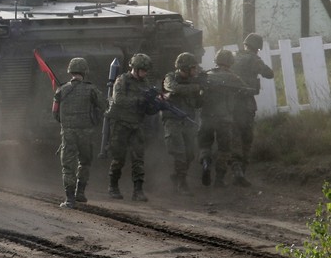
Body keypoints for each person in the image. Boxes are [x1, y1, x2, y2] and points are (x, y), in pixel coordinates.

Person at [53, 57, 108, 208]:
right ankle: (81, 193)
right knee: (84, 162)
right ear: (85, 71)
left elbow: (55, 113)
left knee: (68, 166)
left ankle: (69, 199)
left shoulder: (61, 89)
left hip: (68, 133)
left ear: (70, 71)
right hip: (86, 132)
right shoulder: (92, 89)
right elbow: (104, 106)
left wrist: (66, 124)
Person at [197, 49, 252, 188]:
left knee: (205, 145)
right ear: (230, 63)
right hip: (225, 119)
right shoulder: (234, 78)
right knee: (224, 150)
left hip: (206, 117)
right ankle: (219, 180)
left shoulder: (207, 75)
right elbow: (246, 91)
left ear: (216, 60)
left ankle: (205, 163)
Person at [105, 53, 155, 202]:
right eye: (143, 70)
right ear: (136, 68)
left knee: (138, 159)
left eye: (146, 71)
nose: (145, 73)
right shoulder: (122, 80)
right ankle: (113, 187)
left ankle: (138, 190)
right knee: (119, 158)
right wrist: (139, 100)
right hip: (121, 124)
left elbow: (148, 109)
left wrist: (155, 105)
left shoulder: (145, 83)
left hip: (137, 125)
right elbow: (119, 100)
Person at [230, 33, 274, 184]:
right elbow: (269, 73)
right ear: (257, 48)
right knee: (246, 137)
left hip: (230, 104)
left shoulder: (233, 57)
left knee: (233, 136)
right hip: (246, 104)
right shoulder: (254, 59)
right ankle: (241, 171)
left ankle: (235, 167)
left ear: (245, 44)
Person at [162, 52, 203, 196]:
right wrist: (195, 87)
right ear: (184, 68)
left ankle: (177, 176)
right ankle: (182, 183)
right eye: (192, 68)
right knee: (179, 152)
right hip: (173, 120)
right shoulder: (170, 77)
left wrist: (203, 90)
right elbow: (173, 88)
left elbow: (198, 103)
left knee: (190, 153)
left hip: (188, 120)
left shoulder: (195, 80)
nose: (195, 70)